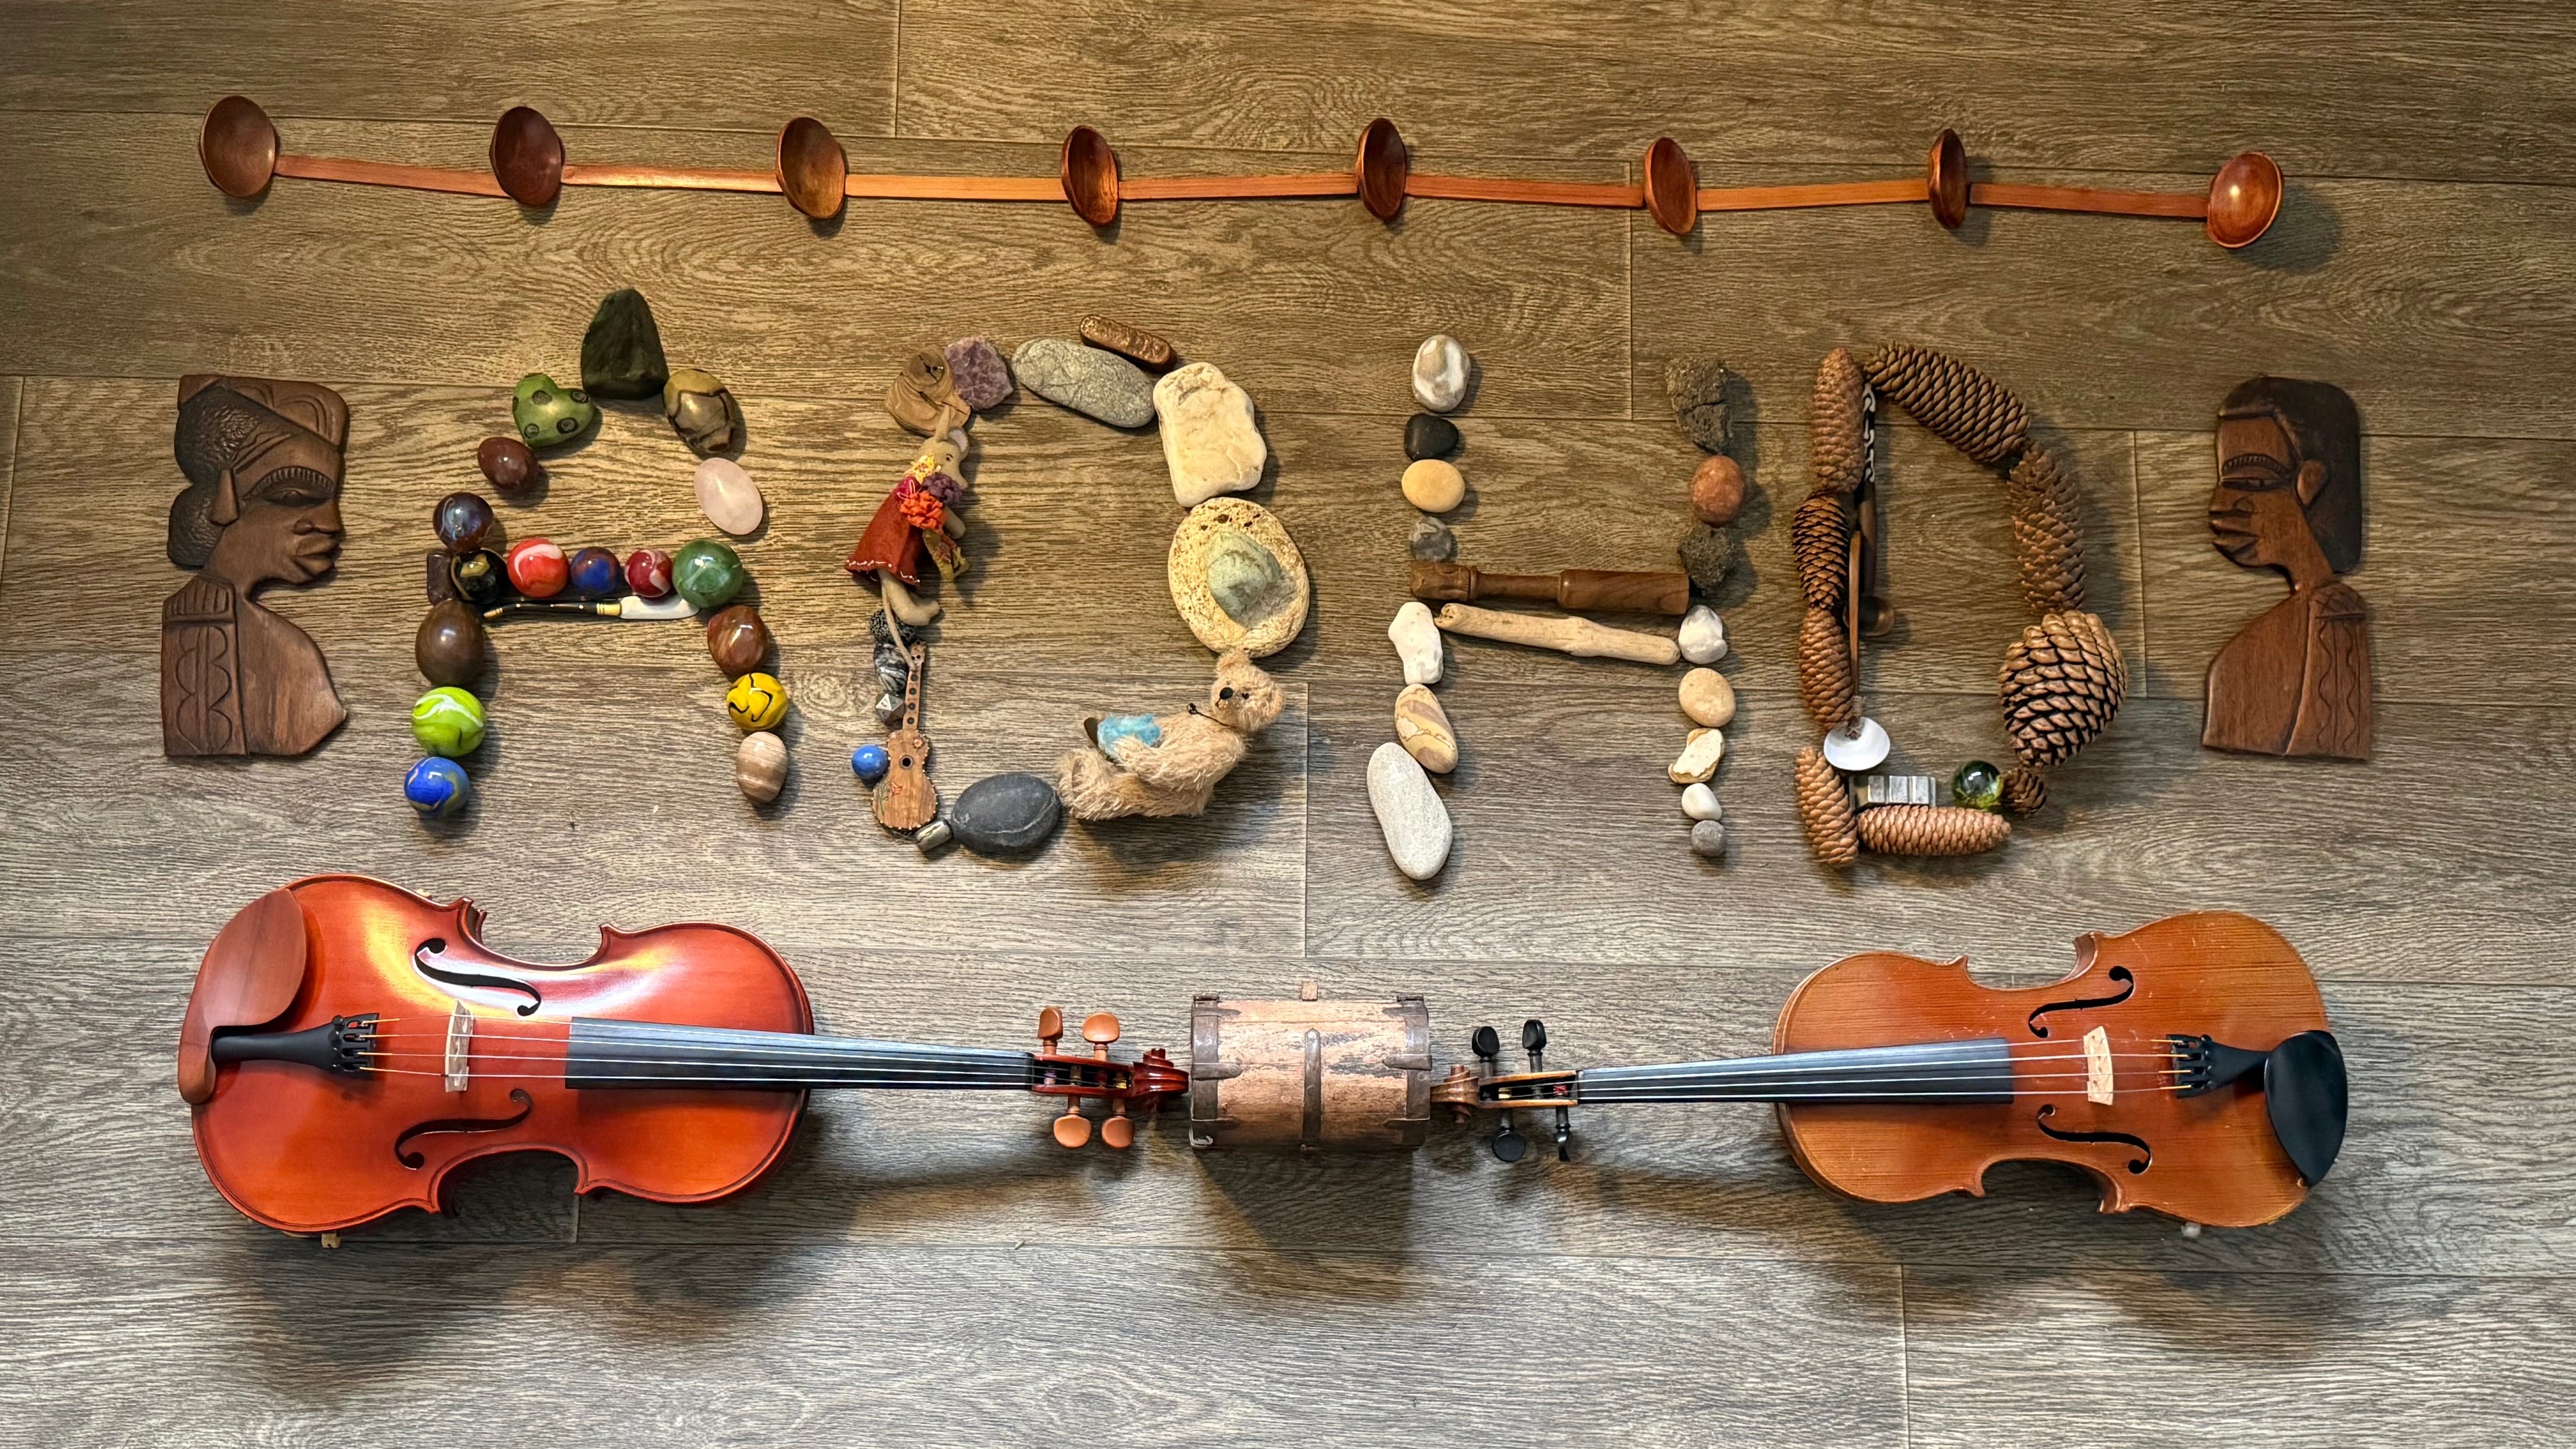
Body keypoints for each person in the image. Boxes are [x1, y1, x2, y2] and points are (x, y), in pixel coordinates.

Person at [161, 376, 349, 756]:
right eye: (294, 495)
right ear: (226, 500)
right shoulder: (288, 656)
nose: (332, 524)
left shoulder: (290, 653)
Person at [2202, 377, 2369, 760]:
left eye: (2251, 478)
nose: (2219, 503)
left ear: (2309, 482)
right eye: (2224, 481)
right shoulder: (2242, 661)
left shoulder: (2331, 619)